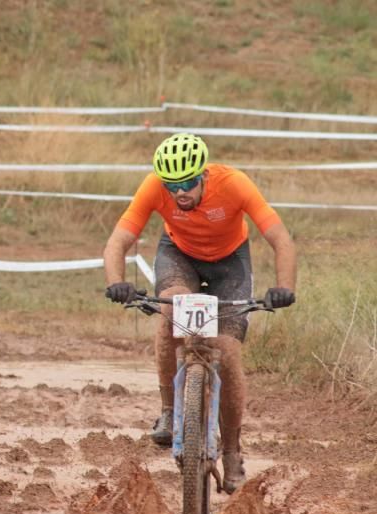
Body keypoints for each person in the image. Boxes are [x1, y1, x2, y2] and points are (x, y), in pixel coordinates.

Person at [102, 132, 296, 493]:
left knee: (228, 350)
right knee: (171, 309)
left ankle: (233, 452)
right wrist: (116, 281)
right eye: (173, 185)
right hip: (179, 255)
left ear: (204, 175)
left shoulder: (234, 184)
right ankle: (169, 410)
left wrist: (284, 287)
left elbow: (280, 238)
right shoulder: (153, 187)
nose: (180, 192)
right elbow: (118, 240)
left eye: (189, 182)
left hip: (230, 263)